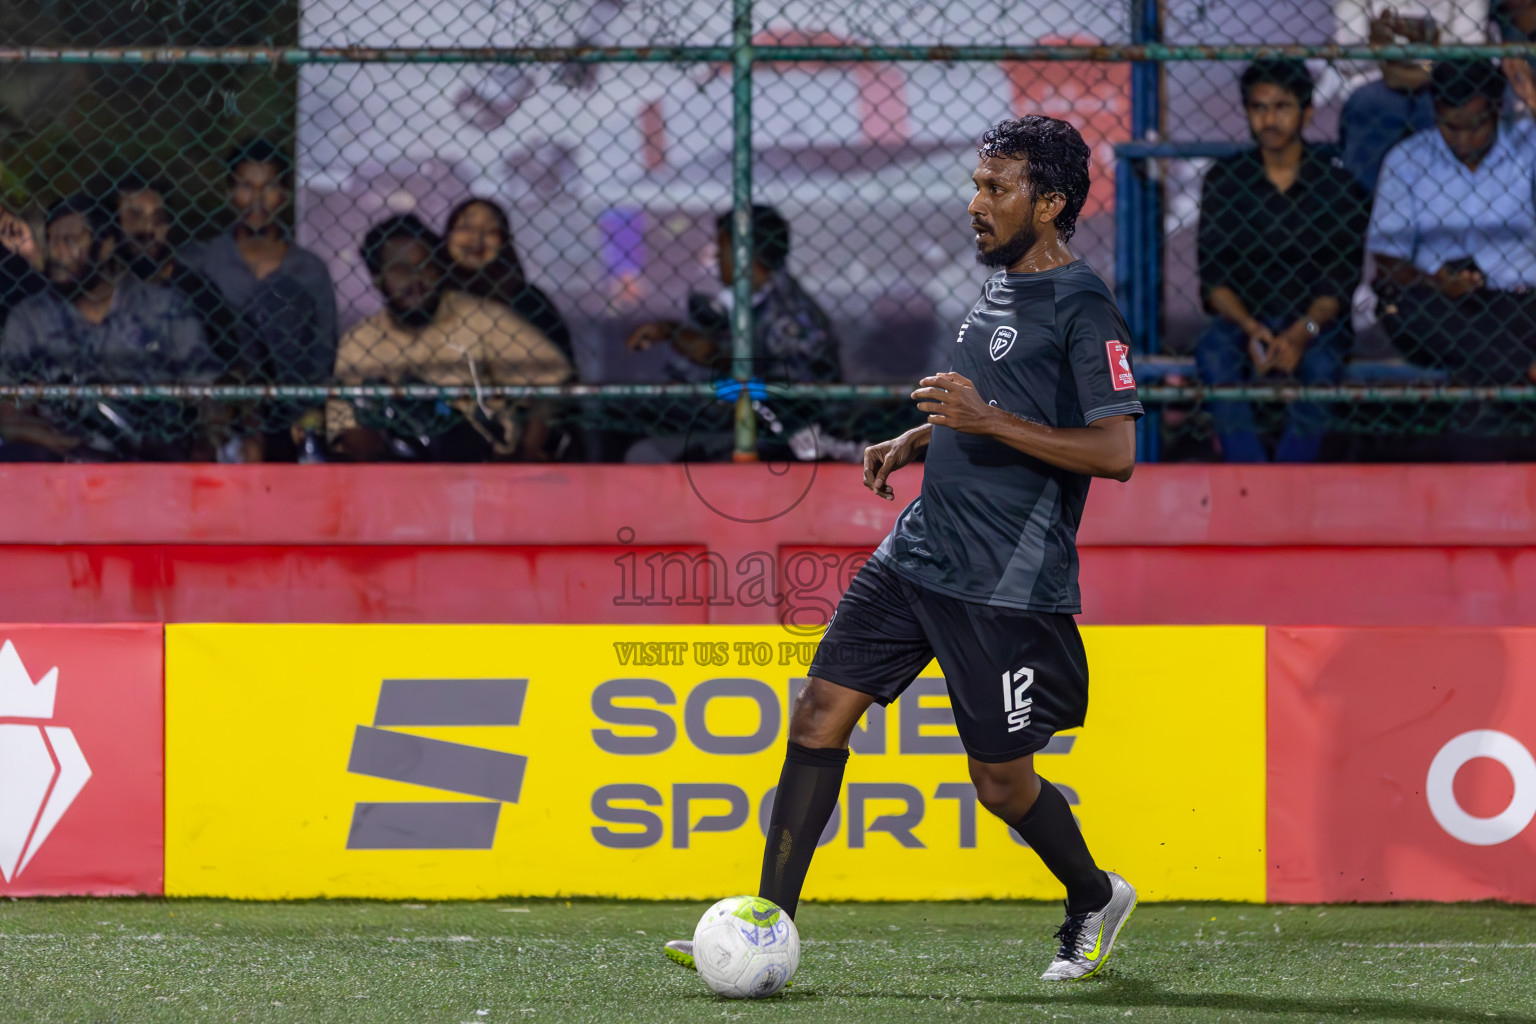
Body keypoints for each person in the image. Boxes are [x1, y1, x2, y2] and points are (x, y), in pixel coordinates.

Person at [661, 115, 1141, 981]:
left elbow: (1115, 453)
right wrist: (920, 437)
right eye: (976, 184)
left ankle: (1093, 894)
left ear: (1052, 202)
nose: (976, 203)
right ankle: (767, 924)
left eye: (996, 189)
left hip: (1002, 580)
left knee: (1000, 783)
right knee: (817, 713)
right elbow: (991, 402)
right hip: (915, 552)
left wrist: (982, 420)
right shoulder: (997, 287)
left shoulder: (1083, 303)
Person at [1196, 59, 1371, 462]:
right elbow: (1214, 277)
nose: (1269, 119)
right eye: (1259, 108)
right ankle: (1252, 478)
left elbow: (1339, 280)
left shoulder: (1336, 185)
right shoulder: (1226, 181)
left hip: (1313, 322)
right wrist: (1251, 327)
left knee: (1323, 365)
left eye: (1282, 107)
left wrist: (1301, 332)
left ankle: (1290, 478)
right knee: (1215, 356)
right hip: (1244, 319)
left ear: (1307, 112)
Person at [328, 214, 573, 462]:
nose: (418, 280)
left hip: (478, 466)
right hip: (394, 472)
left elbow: (554, 378)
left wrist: (525, 455)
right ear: (378, 278)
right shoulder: (360, 340)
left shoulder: (480, 317)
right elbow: (345, 425)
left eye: (427, 266)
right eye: (402, 270)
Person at [0, 193, 215, 460]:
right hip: (60, 463)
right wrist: (56, 441)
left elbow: (208, 392)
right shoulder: (29, 317)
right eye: (51, 241)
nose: (57, 252)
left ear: (106, 246)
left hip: (150, 457)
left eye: (69, 241)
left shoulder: (162, 306)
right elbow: (8, 413)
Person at [1369, 59, 1536, 384]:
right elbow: (1387, 262)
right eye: (1450, 126)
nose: (1462, 140)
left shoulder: (1527, 146)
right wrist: (1438, 281)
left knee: (1497, 334)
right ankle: (1526, 371)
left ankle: (1500, 390)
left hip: (1522, 299)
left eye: (1475, 126)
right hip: (1442, 303)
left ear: (1498, 109)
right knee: (1404, 308)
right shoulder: (1407, 160)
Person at [625, 204, 839, 384]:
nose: (717, 256)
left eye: (722, 247)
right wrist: (670, 332)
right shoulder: (753, 302)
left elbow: (785, 387)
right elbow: (717, 351)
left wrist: (718, 368)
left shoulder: (789, 313)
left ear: (745, 253)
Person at [183, 140, 337, 386]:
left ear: (285, 194)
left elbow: (324, 351)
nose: (258, 198)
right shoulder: (202, 261)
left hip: (291, 407)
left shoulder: (310, 269)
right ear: (229, 193)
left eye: (270, 187)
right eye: (246, 186)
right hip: (217, 406)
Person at [114, 172, 242, 376]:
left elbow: (234, 363)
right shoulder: (98, 288)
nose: (149, 229)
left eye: (158, 218)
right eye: (135, 216)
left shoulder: (194, 289)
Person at [443, 198, 574, 365]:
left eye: (491, 231)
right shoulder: (429, 296)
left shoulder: (528, 301)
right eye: (466, 228)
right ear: (448, 235)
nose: (476, 238)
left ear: (503, 241)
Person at [1339, 11, 1439, 192]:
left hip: (1436, 74)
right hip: (1379, 78)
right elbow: (1349, 61)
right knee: (1369, 102)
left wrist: (1427, 51)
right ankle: (1367, 200)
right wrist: (1384, 52)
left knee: (1443, 100)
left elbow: (1463, 58)